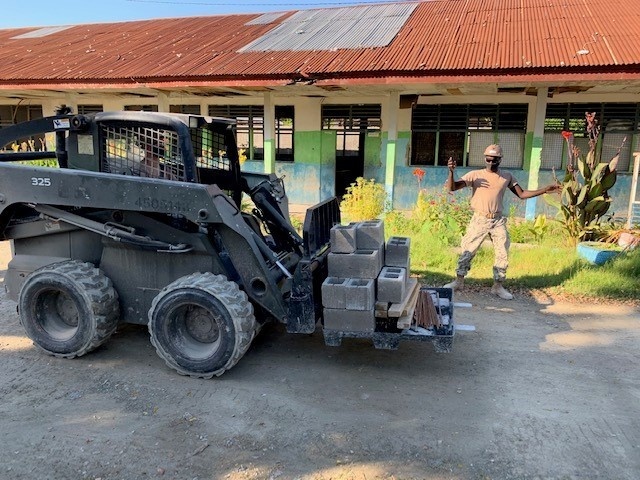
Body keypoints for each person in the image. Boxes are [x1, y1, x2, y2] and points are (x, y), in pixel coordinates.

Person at [443, 144, 560, 300]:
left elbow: (522, 194)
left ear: (500, 160)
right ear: (485, 158)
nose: (491, 163)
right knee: (467, 251)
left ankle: (498, 286)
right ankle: (459, 281)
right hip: (479, 219)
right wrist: (451, 172)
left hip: (497, 220)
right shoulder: (475, 175)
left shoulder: (507, 177)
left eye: (495, 160)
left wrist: (545, 190)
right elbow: (452, 187)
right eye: (488, 159)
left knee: (502, 253)